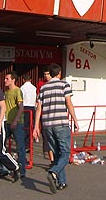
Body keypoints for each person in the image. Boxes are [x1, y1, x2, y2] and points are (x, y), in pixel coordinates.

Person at [33, 63, 80, 193]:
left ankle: (62, 182)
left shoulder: (43, 88)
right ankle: (53, 172)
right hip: (61, 123)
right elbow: (69, 104)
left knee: (57, 153)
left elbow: (38, 109)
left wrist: (36, 126)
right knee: (65, 152)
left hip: (47, 125)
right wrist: (75, 120)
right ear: (59, 73)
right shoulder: (64, 85)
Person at [0, 71, 26, 180]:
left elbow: (21, 107)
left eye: (7, 78)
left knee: (20, 147)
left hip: (17, 123)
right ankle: (4, 169)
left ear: (13, 79)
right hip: (6, 122)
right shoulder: (6, 93)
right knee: (1, 147)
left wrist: (15, 120)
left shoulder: (17, 91)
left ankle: (21, 170)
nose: (5, 80)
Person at [37, 68, 55, 166]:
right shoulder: (41, 85)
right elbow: (38, 102)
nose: (46, 76)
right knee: (47, 140)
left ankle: (56, 159)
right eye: (45, 74)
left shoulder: (56, 84)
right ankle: (52, 160)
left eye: (48, 74)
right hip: (45, 116)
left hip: (55, 117)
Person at [21, 72, 37, 150]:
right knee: (31, 126)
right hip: (33, 107)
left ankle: (25, 144)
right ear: (30, 80)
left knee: (25, 127)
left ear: (23, 80)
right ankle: (30, 143)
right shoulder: (34, 88)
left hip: (25, 108)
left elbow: (21, 99)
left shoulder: (22, 88)